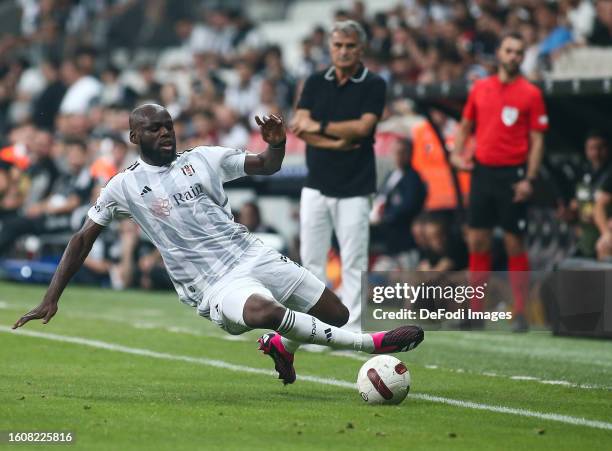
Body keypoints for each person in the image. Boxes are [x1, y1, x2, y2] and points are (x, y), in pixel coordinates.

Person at [12, 104, 424, 386]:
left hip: (251, 254)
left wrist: (276, 143)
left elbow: (267, 166)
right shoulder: (124, 185)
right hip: (210, 284)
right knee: (266, 311)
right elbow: (83, 237)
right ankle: (370, 343)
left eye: (169, 125)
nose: (165, 132)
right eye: (155, 128)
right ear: (135, 135)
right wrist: (52, 297)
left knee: (337, 312)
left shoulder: (204, 158)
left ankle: (282, 345)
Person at [290, 20, 387, 332]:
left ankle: (353, 330)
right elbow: (300, 125)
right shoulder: (316, 81)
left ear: (361, 49)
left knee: (354, 261)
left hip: (356, 186)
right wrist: (337, 138)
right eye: (338, 45)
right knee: (311, 260)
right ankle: (318, 328)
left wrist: (319, 127)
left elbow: (363, 128)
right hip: (316, 183)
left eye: (350, 46)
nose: (343, 52)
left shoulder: (373, 83)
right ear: (330, 48)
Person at [451, 32, 549, 332]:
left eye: (519, 52)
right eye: (509, 50)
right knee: (477, 241)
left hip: (513, 175)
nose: (514, 56)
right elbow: (465, 126)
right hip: (482, 173)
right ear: (499, 53)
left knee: (513, 242)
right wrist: (457, 154)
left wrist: (529, 178)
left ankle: (520, 313)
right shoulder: (481, 88)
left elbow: (537, 140)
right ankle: (475, 311)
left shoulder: (531, 93)